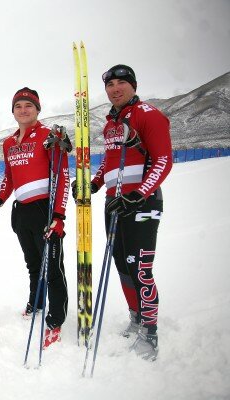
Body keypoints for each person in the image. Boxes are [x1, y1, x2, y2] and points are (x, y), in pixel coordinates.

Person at [85, 65, 172, 361]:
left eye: (122, 82)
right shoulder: (112, 123)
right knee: (122, 263)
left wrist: (138, 194)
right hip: (115, 203)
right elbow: (110, 161)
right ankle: (136, 317)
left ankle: (150, 332)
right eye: (110, 85)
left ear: (133, 85)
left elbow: (163, 161)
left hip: (142, 204)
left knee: (140, 268)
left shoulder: (148, 114)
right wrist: (95, 183)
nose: (115, 89)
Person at [0, 88, 70, 348]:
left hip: (44, 210)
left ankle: (56, 318)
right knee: (33, 264)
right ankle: (36, 302)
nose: (23, 110)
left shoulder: (49, 136)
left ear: (37, 110)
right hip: (22, 212)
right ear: (13, 111)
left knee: (52, 267)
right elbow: (11, 178)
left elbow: (62, 176)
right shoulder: (9, 143)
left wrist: (59, 215)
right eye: (19, 106)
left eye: (29, 105)